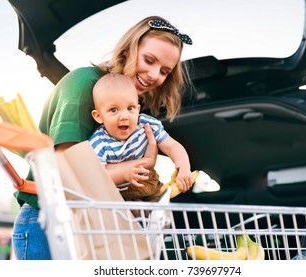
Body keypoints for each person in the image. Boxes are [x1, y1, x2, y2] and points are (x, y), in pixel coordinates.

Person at [11, 16, 193, 260]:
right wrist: (131, 168)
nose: (153, 75)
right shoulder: (84, 83)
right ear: (128, 50)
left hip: (90, 224)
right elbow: (67, 172)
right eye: (149, 60)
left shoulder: (132, 108)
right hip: (49, 223)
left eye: (164, 71)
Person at [89, 73, 193, 202]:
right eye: (114, 110)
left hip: (151, 186)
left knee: (163, 215)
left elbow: (172, 147)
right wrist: (123, 174)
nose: (124, 116)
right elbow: (97, 176)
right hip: (120, 196)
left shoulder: (145, 125)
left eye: (130, 108)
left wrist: (184, 167)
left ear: (138, 109)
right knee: (134, 214)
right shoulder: (99, 142)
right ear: (98, 116)